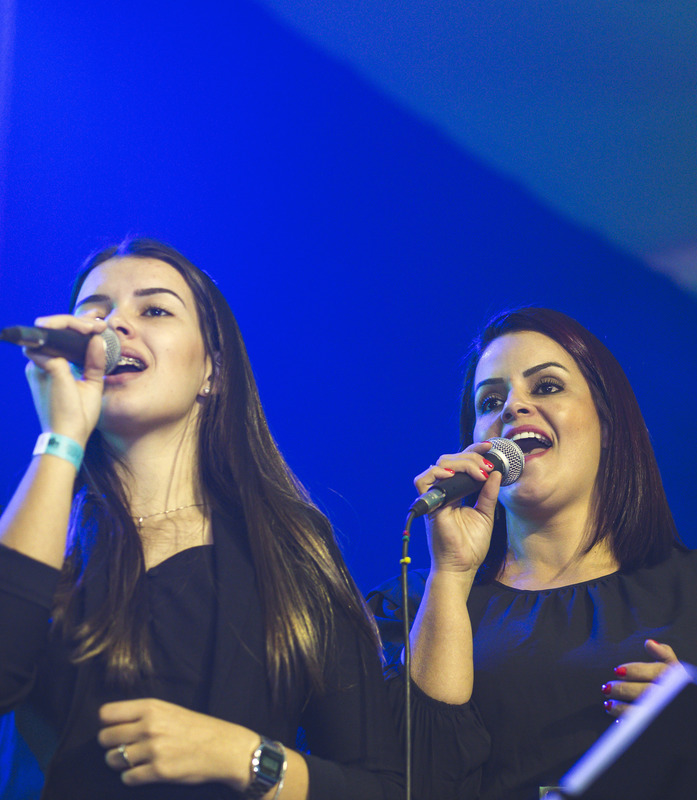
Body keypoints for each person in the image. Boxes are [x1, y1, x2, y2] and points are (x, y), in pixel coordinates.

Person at [368, 308, 697, 800]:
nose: (513, 407)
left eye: (546, 387)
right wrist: (451, 573)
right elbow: (407, 782)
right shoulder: (415, 605)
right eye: (491, 401)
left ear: (607, 422)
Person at [0, 239, 405, 798]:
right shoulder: (41, 537)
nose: (115, 325)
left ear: (211, 370)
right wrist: (61, 436)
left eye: (154, 309)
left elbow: (382, 786)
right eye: (95, 313)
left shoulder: (287, 550)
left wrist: (246, 757)